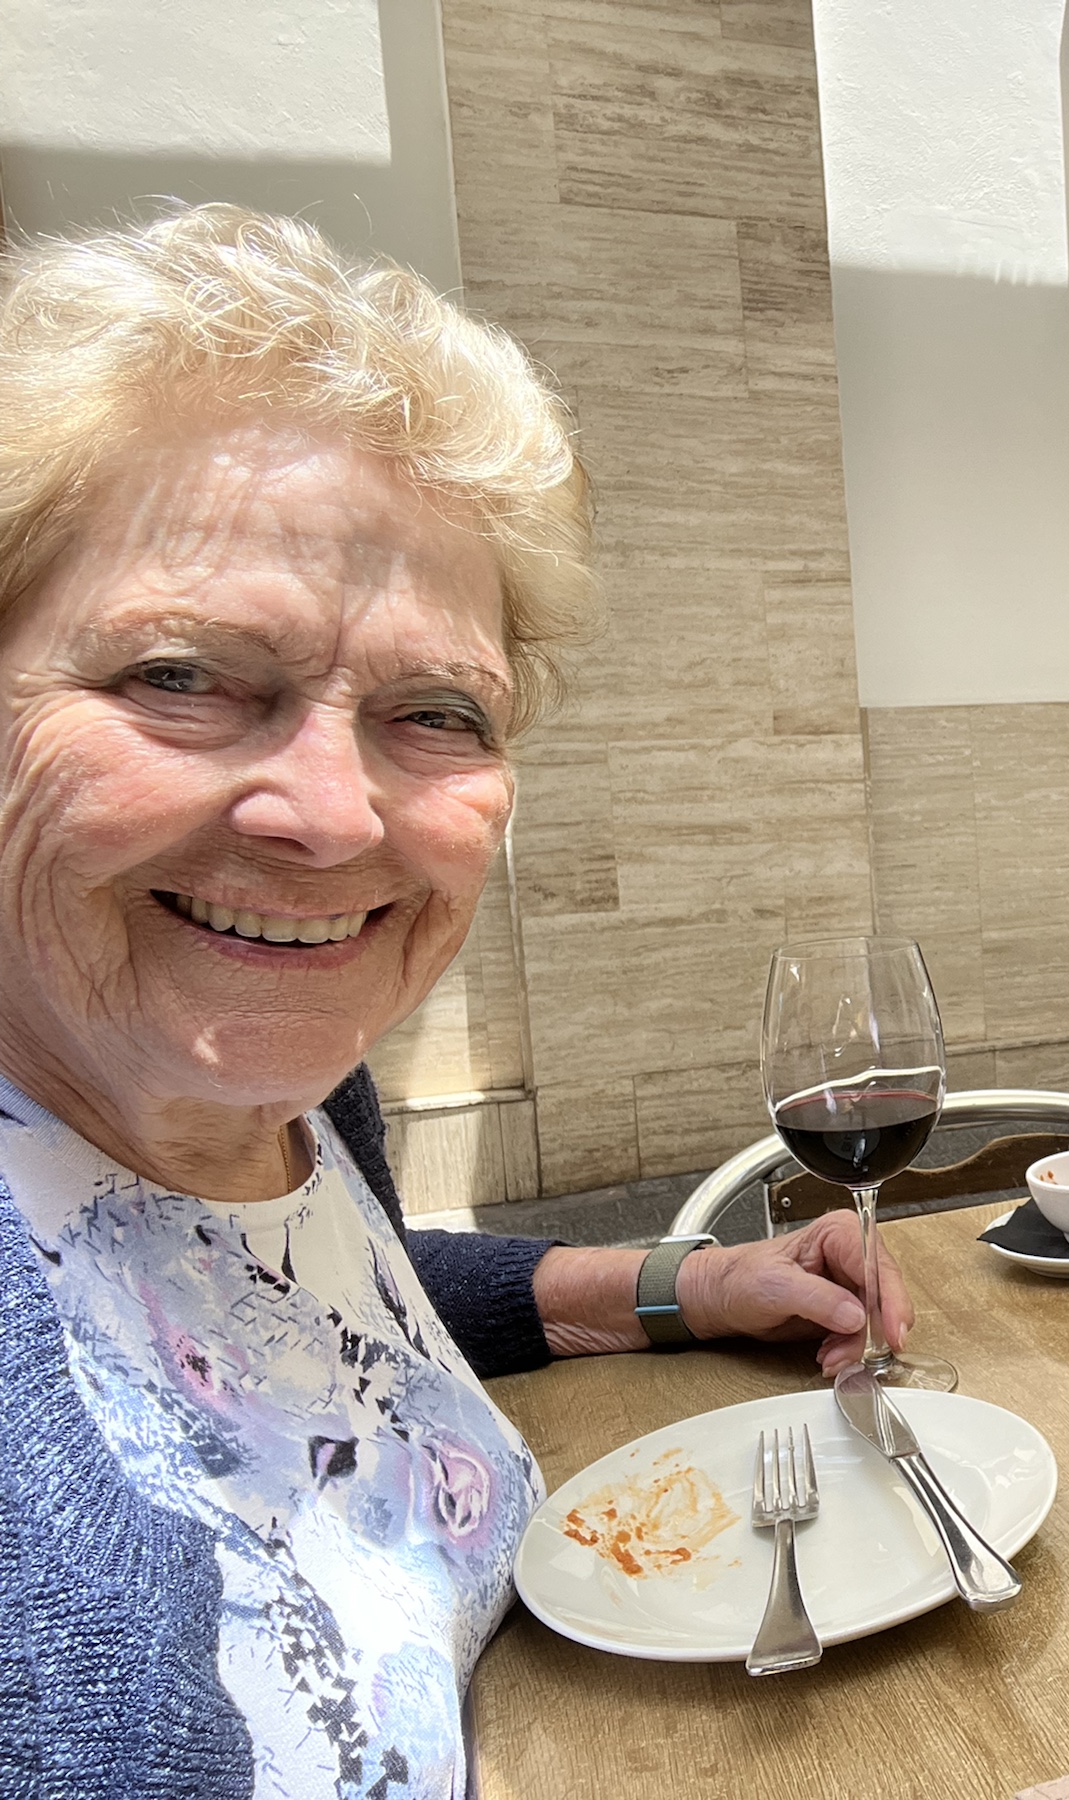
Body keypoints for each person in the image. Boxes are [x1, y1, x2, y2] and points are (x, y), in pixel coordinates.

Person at [0, 206, 914, 1798]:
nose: (332, 816)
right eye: (182, 676)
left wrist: (682, 1286)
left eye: (434, 712)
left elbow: (306, 1306)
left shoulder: (283, 1093)